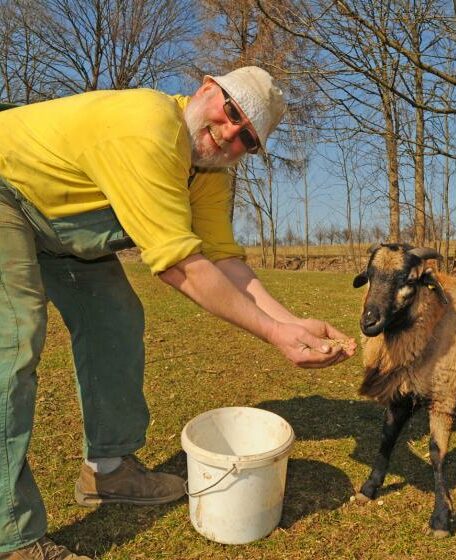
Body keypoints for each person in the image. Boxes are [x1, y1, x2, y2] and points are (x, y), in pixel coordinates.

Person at [0, 66, 356, 559]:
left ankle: (109, 469)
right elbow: (181, 267)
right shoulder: (147, 125)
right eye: (231, 111)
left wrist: (291, 322)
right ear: (207, 88)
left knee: (116, 320)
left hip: (63, 231)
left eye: (247, 138)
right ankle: (10, 537)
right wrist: (272, 333)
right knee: (13, 341)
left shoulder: (208, 170)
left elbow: (222, 260)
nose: (230, 133)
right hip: (6, 189)